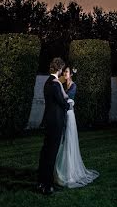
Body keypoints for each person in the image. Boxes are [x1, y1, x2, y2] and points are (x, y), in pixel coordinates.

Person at [54, 66, 99, 188]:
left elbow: (66, 98)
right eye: (64, 72)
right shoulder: (63, 85)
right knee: (62, 140)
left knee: (69, 140)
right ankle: (61, 169)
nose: (64, 73)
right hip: (63, 114)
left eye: (67, 72)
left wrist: (59, 85)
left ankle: (70, 171)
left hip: (69, 115)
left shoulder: (73, 86)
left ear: (71, 74)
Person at [37, 57, 71, 195]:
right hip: (55, 122)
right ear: (59, 68)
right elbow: (63, 103)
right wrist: (69, 103)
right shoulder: (55, 84)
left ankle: (41, 181)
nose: (62, 70)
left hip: (49, 121)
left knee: (45, 152)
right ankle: (48, 185)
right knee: (51, 154)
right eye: (62, 68)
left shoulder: (48, 82)